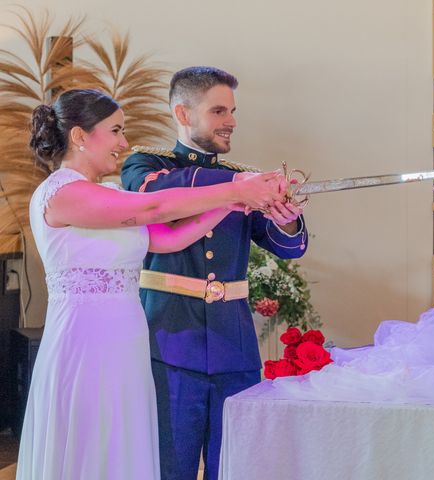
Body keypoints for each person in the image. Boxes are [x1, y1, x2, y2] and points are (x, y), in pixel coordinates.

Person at [16, 89, 287, 480]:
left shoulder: (108, 194)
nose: (124, 143)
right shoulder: (62, 193)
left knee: (124, 447)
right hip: (86, 342)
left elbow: (167, 238)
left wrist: (230, 205)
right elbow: (154, 207)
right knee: (91, 442)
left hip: (126, 343)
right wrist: (236, 186)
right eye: (115, 131)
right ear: (80, 136)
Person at [120, 66, 308, 480]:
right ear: (183, 114)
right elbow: (152, 192)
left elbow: (287, 247)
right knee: (171, 465)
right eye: (219, 110)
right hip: (168, 340)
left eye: (233, 111)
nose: (232, 121)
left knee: (237, 463)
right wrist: (237, 185)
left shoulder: (241, 177)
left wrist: (286, 217)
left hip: (233, 345)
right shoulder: (145, 163)